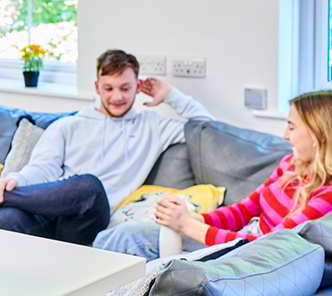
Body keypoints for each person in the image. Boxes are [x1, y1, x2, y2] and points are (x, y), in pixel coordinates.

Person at [0, 49, 214, 245]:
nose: (117, 96)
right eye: (109, 88)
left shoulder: (153, 126)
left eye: (125, 88)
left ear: (138, 87)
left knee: (90, 187)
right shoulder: (67, 126)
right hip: (49, 214)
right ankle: (2, 203)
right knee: (5, 218)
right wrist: (17, 180)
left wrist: (171, 95)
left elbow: (209, 130)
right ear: (97, 87)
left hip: (87, 221)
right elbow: (41, 169)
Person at [95, 90, 332, 260]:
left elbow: (266, 247)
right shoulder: (291, 163)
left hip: (247, 255)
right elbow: (244, 210)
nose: (284, 135)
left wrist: (187, 225)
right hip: (237, 238)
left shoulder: (326, 198)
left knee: (130, 239)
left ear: (318, 135)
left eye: (292, 127)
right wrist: (192, 218)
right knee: (122, 236)